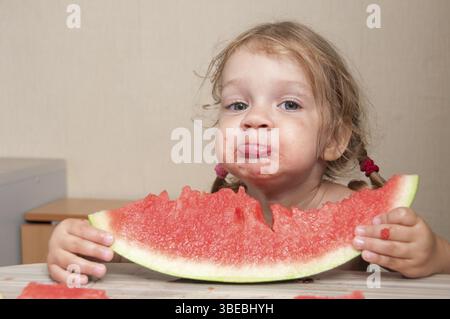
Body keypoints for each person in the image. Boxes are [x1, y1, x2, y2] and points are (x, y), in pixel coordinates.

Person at [47, 21, 450, 284]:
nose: (255, 119)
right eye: (237, 105)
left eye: (289, 104)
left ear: (334, 138)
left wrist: (431, 254)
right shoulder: (206, 216)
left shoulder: (365, 218)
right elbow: (115, 253)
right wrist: (72, 244)